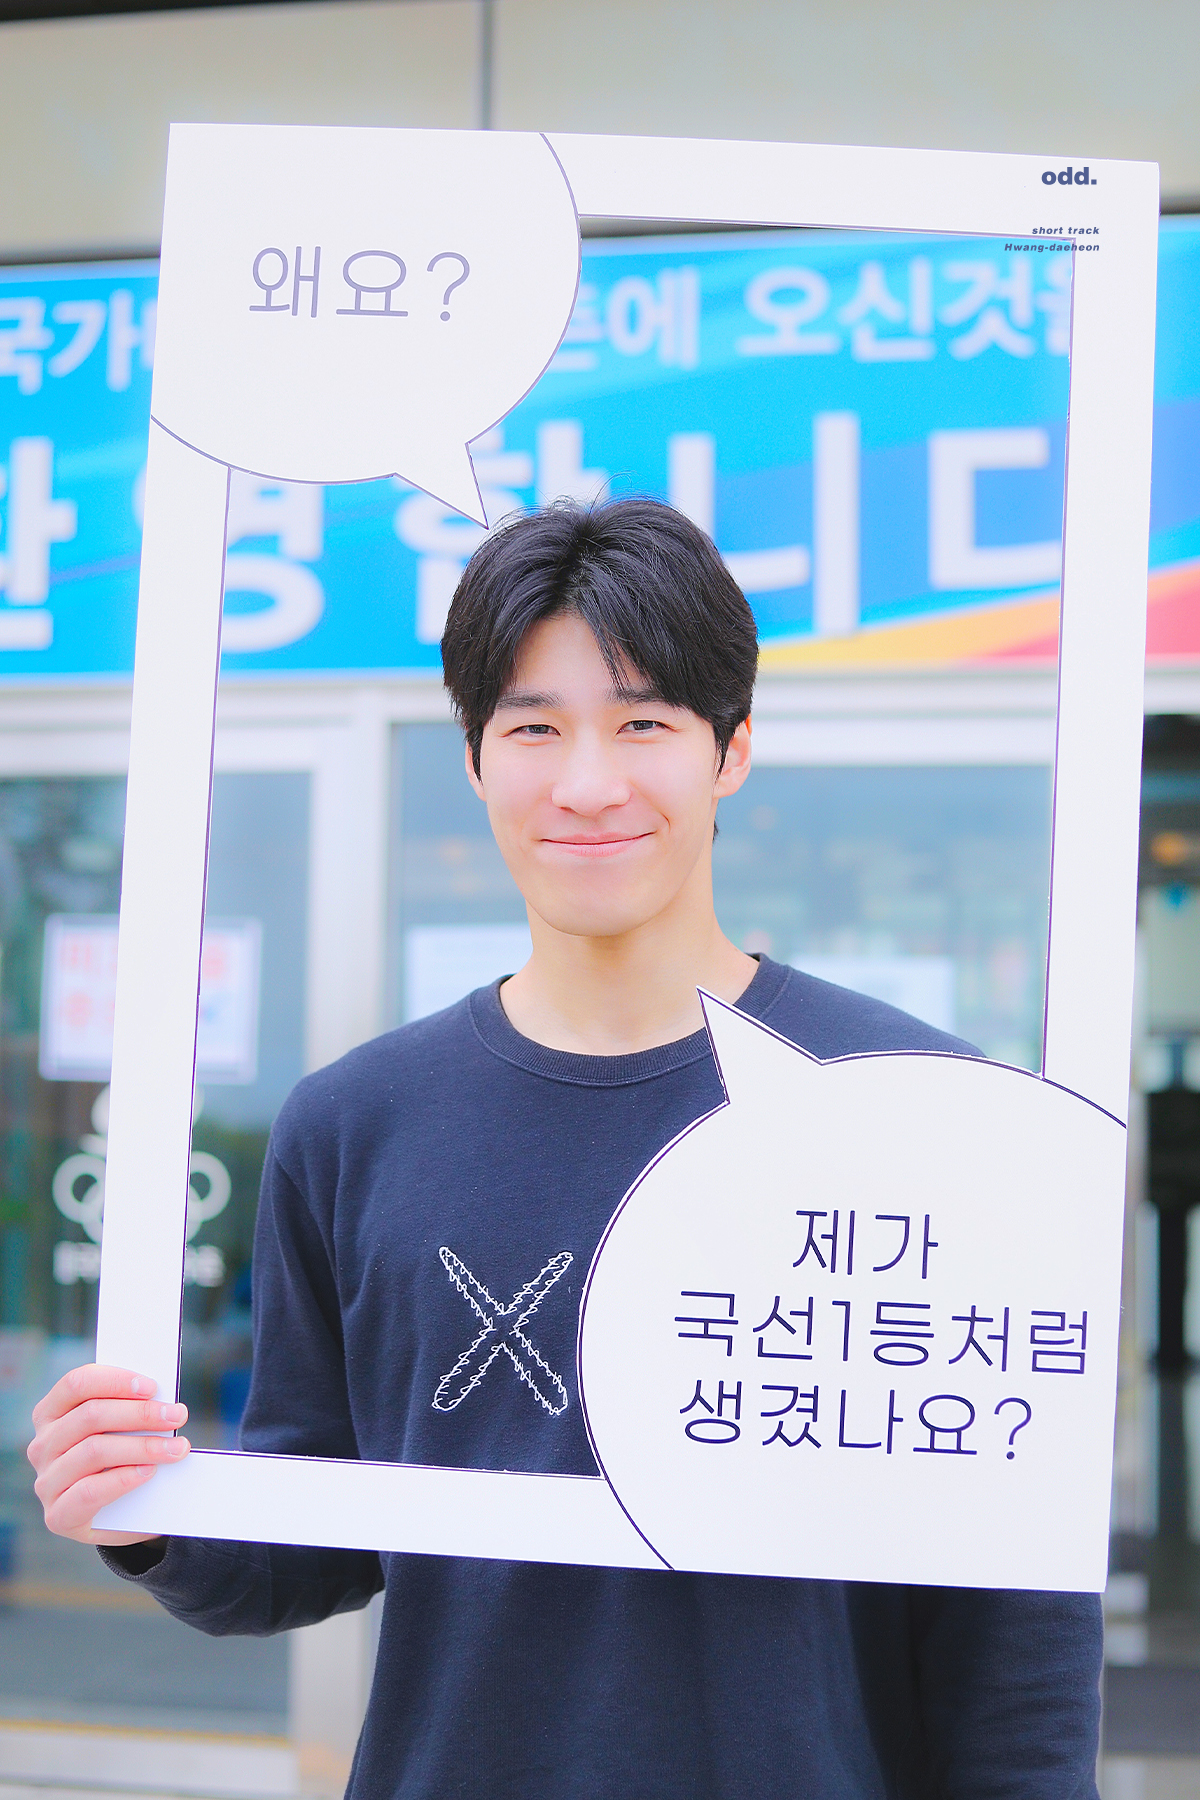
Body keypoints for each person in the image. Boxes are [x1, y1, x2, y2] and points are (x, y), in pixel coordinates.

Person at [29, 498, 1101, 1798]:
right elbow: (311, 1542)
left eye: (643, 724)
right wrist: (146, 1510)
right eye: (534, 727)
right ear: (476, 759)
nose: (587, 784)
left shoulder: (923, 1113)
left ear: (733, 750)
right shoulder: (354, 1125)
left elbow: (1013, 1631)